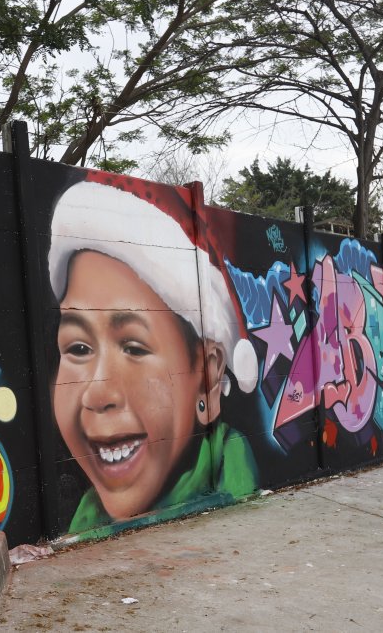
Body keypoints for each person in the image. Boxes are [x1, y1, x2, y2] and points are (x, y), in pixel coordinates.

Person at [47, 180, 260, 533]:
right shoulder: (85, 521)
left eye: (133, 347)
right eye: (78, 348)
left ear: (207, 375)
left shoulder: (235, 495)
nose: (97, 394)